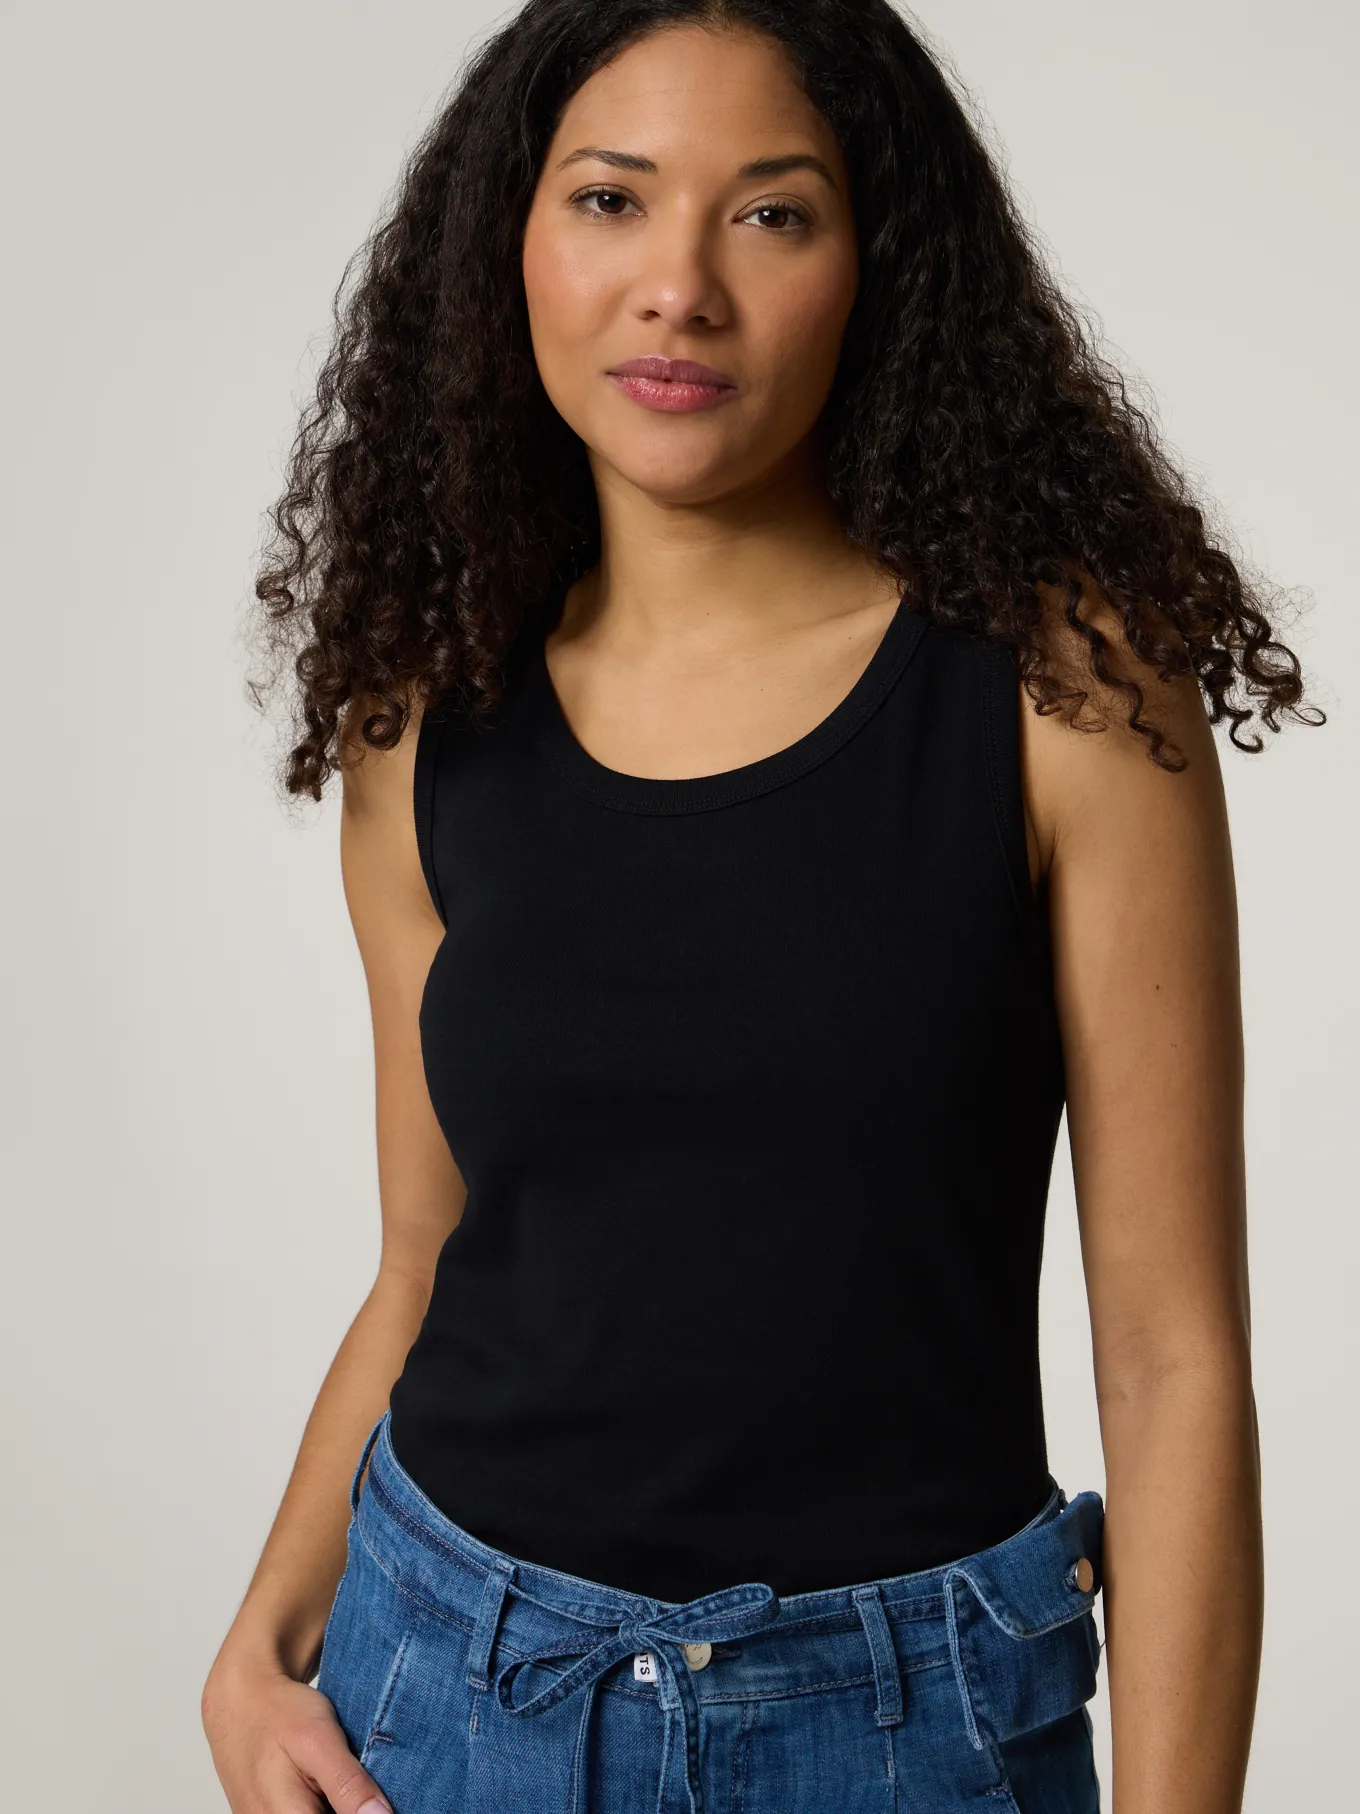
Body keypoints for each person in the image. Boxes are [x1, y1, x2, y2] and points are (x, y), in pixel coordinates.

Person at [202, 3, 1320, 1811]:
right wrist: (261, 1638)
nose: (680, 289)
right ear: (510, 244)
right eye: (611, 199)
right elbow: (425, 1257)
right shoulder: (421, 715)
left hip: (910, 1733)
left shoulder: (1065, 689)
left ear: (880, 266)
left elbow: (1174, 1356)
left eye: (773, 214)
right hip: (449, 1694)